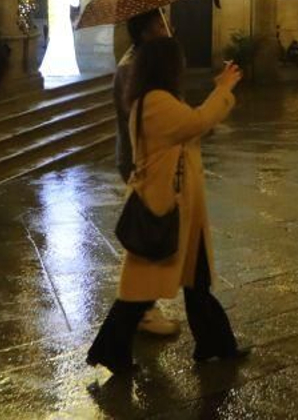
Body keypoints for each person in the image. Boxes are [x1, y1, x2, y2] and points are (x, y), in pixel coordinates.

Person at [87, 38, 245, 375]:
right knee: (140, 290)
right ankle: (110, 349)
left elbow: (191, 124)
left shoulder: (155, 99)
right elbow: (197, 122)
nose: (183, 67)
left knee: (195, 279)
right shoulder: (156, 102)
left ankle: (216, 344)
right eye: (178, 61)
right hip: (165, 208)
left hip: (177, 205)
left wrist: (216, 93)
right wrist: (225, 88)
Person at [113, 9, 182, 339]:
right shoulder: (132, 66)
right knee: (146, 234)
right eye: (160, 24)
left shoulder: (146, 61)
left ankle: (141, 308)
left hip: (149, 159)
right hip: (140, 160)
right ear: (145, 31)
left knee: (149, 232)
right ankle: (141, 311)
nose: (166, 28)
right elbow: (144, 120)